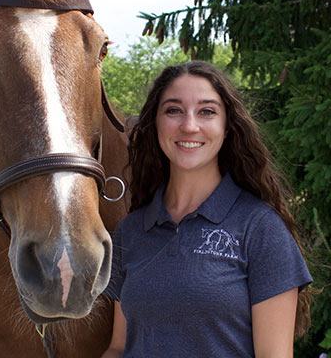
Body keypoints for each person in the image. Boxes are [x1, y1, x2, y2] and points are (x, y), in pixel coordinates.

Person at [102, 61, 312, 358]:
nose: (189, 125)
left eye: (207, 111)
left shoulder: (260, 228)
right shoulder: (131, 230)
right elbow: (119, 347)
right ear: (155, 124)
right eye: (173, 110)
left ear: (227, 128)